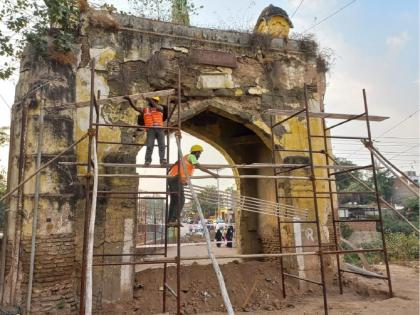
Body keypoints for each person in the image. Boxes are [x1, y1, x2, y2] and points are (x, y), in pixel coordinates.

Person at [167, 144, 219, 227]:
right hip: (176, 178)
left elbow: (181, 169)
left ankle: (170, 221)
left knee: (174, 201)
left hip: (172, 178)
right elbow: (200, 167)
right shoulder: (192, 156)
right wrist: (213, 174)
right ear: (196, 152)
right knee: (181, 199)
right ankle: (173, 220)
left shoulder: (185, 157)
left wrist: (184, 181)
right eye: (199, 153)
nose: (199, 155)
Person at [124, 95, 167, 166]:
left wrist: (149, 99)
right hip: (150, 130)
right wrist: (129, 100)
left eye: (155, 101)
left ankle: (162, 161)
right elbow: (135, 107)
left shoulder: (160, 108)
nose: (154, 102)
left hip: (160, 129)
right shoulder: (145, 110)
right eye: (153, 100)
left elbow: (155, 106)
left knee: (162, 146)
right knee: (150, 146)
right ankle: (147, 161)